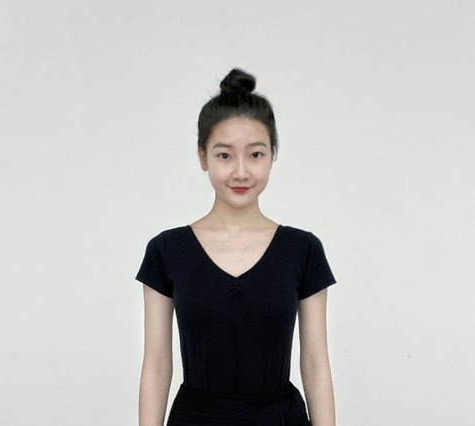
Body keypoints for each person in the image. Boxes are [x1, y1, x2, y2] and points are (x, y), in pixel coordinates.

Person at [136, 68, 337, 425]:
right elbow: (156, 363)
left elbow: (315, 362)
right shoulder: (166, 251)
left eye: (255, 154)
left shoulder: (303, 250)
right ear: (203, 158)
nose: (241, 172)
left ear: (272, 155)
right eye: (225, 155)